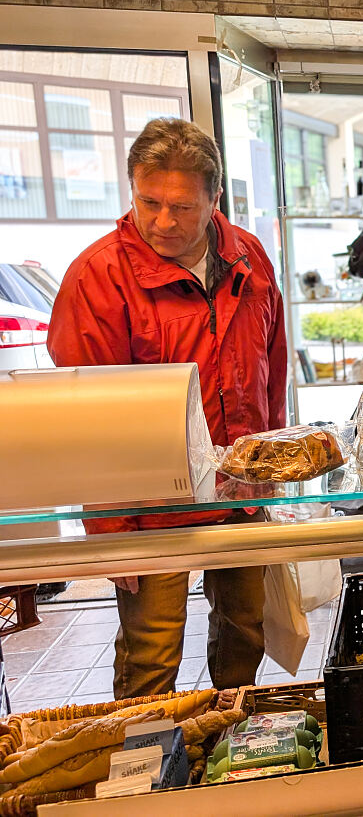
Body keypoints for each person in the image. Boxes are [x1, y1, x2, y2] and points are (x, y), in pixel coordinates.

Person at [47, 117, 286, 698]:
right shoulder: (98, 276)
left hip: (239, 493)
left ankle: (233, 748)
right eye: (147, 202)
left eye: (181, 207)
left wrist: (274, 469)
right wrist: (109, 526)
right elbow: (85, 418)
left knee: (244, 635)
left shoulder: (248, 256)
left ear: (214, 198)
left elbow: (271, 366)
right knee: (151, 657)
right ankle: (150, 772)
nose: (161, 221)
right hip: (149, 507)